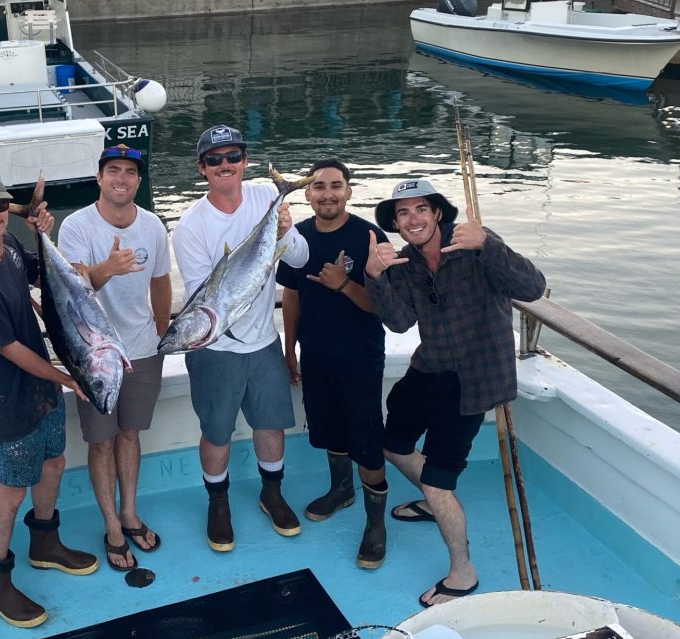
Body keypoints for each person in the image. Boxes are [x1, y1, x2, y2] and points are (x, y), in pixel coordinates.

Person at [364, 178, 546, 608]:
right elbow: (400, 322)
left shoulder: (476, 244)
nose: (413, 219)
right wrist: (375, 277)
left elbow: (533, 288)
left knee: (439, 479)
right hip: (429, 368)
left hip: (474, 379)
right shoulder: (405, 263)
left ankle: (463, 572)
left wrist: (488, 244)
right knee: (392, 444)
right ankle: (433, 500)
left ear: (438, 213)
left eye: (421, 209)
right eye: (403, 213)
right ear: (396, 222)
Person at [0, 168, 98, 629]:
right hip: (8, 399)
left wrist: (40, 236)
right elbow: (9, 349)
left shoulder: (10, 245)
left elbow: (38, 278)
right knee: (10, 492)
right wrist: (67, 377)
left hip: (42, 392)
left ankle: (45, 543)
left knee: (53, 463)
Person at [172, 125, 310, 552]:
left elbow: (300, 258)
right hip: (216, 349)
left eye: (232, 156)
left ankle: (272, 493)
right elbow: (207, 299)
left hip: (264, 342)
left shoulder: (266, 200)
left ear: (245, 161)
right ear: (202, 168)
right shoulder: (190, 227)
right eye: (214, 159)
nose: (224, 165)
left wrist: (285, 229)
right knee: (216, 432)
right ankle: (219, 503)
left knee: (271, 424)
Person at [58, 145, 172, 571]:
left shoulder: (154, 226)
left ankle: (129, 513)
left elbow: (161, 283)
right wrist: (105, 269)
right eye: (113, 171)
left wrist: (162, 335)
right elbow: (70, 294)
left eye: (129, 172)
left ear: (138, 181)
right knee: (101, 442)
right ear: (99, 178)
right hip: (94, 356)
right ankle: (110, 523)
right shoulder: (75, 226)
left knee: (129, 434)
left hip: (143, 350)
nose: (121, 178)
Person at [277, 159, 393, 569]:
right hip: (316, 354)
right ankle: (341, 489)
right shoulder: (297, 237)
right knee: (329, 429)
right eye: (319, 186)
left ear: (349, 191)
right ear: (307, 193)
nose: (327, 193)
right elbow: (290, 295)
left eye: (336, 186)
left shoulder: (369, 236)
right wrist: (290, 349)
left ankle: (375, 524)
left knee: (366, 439)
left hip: (359, 357)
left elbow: (382, 307)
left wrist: (343, 284)